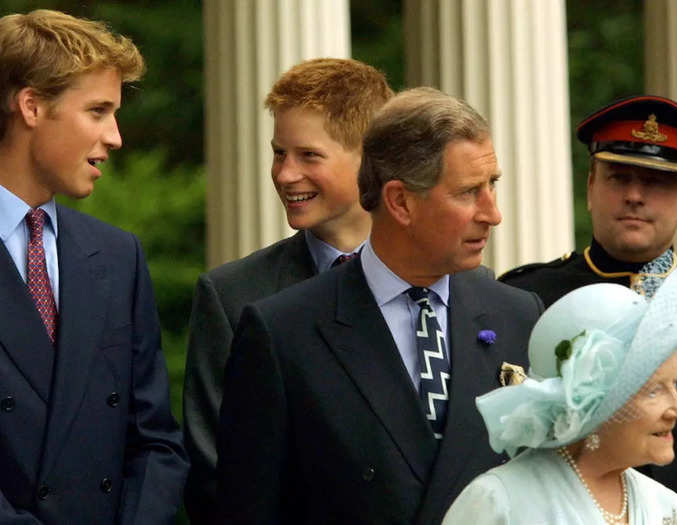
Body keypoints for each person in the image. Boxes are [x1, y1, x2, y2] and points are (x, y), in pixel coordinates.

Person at [215, 87, 544, 524]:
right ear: (400, 202)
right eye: (468, 193)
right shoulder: (283, 332)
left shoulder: (519, 315)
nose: (492, 213)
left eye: (492, 186)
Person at [183, 58, 394, 522]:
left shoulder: (450, 286)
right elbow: (214, 474)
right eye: (279, 153)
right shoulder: (233, 297)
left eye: (308, 156)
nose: (284, 174)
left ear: (370, 159)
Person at [0, 9, 188, 523]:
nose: (115, 137)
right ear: (32, 106)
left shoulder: (118, 255)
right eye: (98, 111)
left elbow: (155, 441)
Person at [499, 95, 677, 518]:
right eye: (618, 177)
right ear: (591, 186)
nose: (634, 195)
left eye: (656, 181)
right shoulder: (525, 299)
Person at [444, 267, 677, 524]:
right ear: (592, 400)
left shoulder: (669, 509)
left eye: (675, 384)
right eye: (654, 390)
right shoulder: (501, 504)